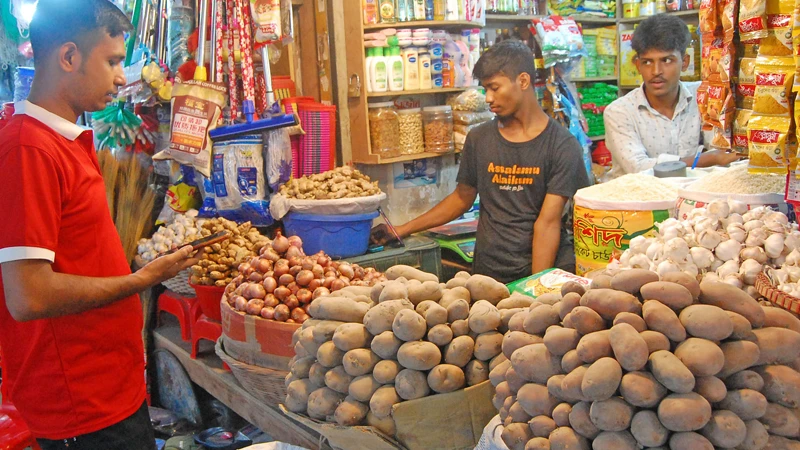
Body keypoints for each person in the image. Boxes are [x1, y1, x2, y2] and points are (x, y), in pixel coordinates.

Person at [0, 1, 201, 448]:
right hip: (79, 407)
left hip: (108, 391)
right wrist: (140, 279)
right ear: (68, 57)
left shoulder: (65, 140)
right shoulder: (27, 148)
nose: (119, 77)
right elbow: (27, 295)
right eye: (111, 61)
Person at [371, 40, 591, 284]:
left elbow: (547, 224)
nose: (488, 98)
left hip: (538, 268)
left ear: (523, 81)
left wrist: (535, 289)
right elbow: (461, 198)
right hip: (488, 270)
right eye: (485, 89)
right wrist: (402, 229)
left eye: (494, 88)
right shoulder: (479, 138)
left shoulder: (562, 146)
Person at [604, 14, 741, 176]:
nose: (656, 72)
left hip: (692, 196)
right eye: (647, 62)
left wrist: (715, 156)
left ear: (685, 62)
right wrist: (708, 159)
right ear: (637, 65)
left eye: (667, 60)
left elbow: (721, 150)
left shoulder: (703, 96)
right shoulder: (620, 111)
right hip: (639, 198)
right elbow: (639, 168)